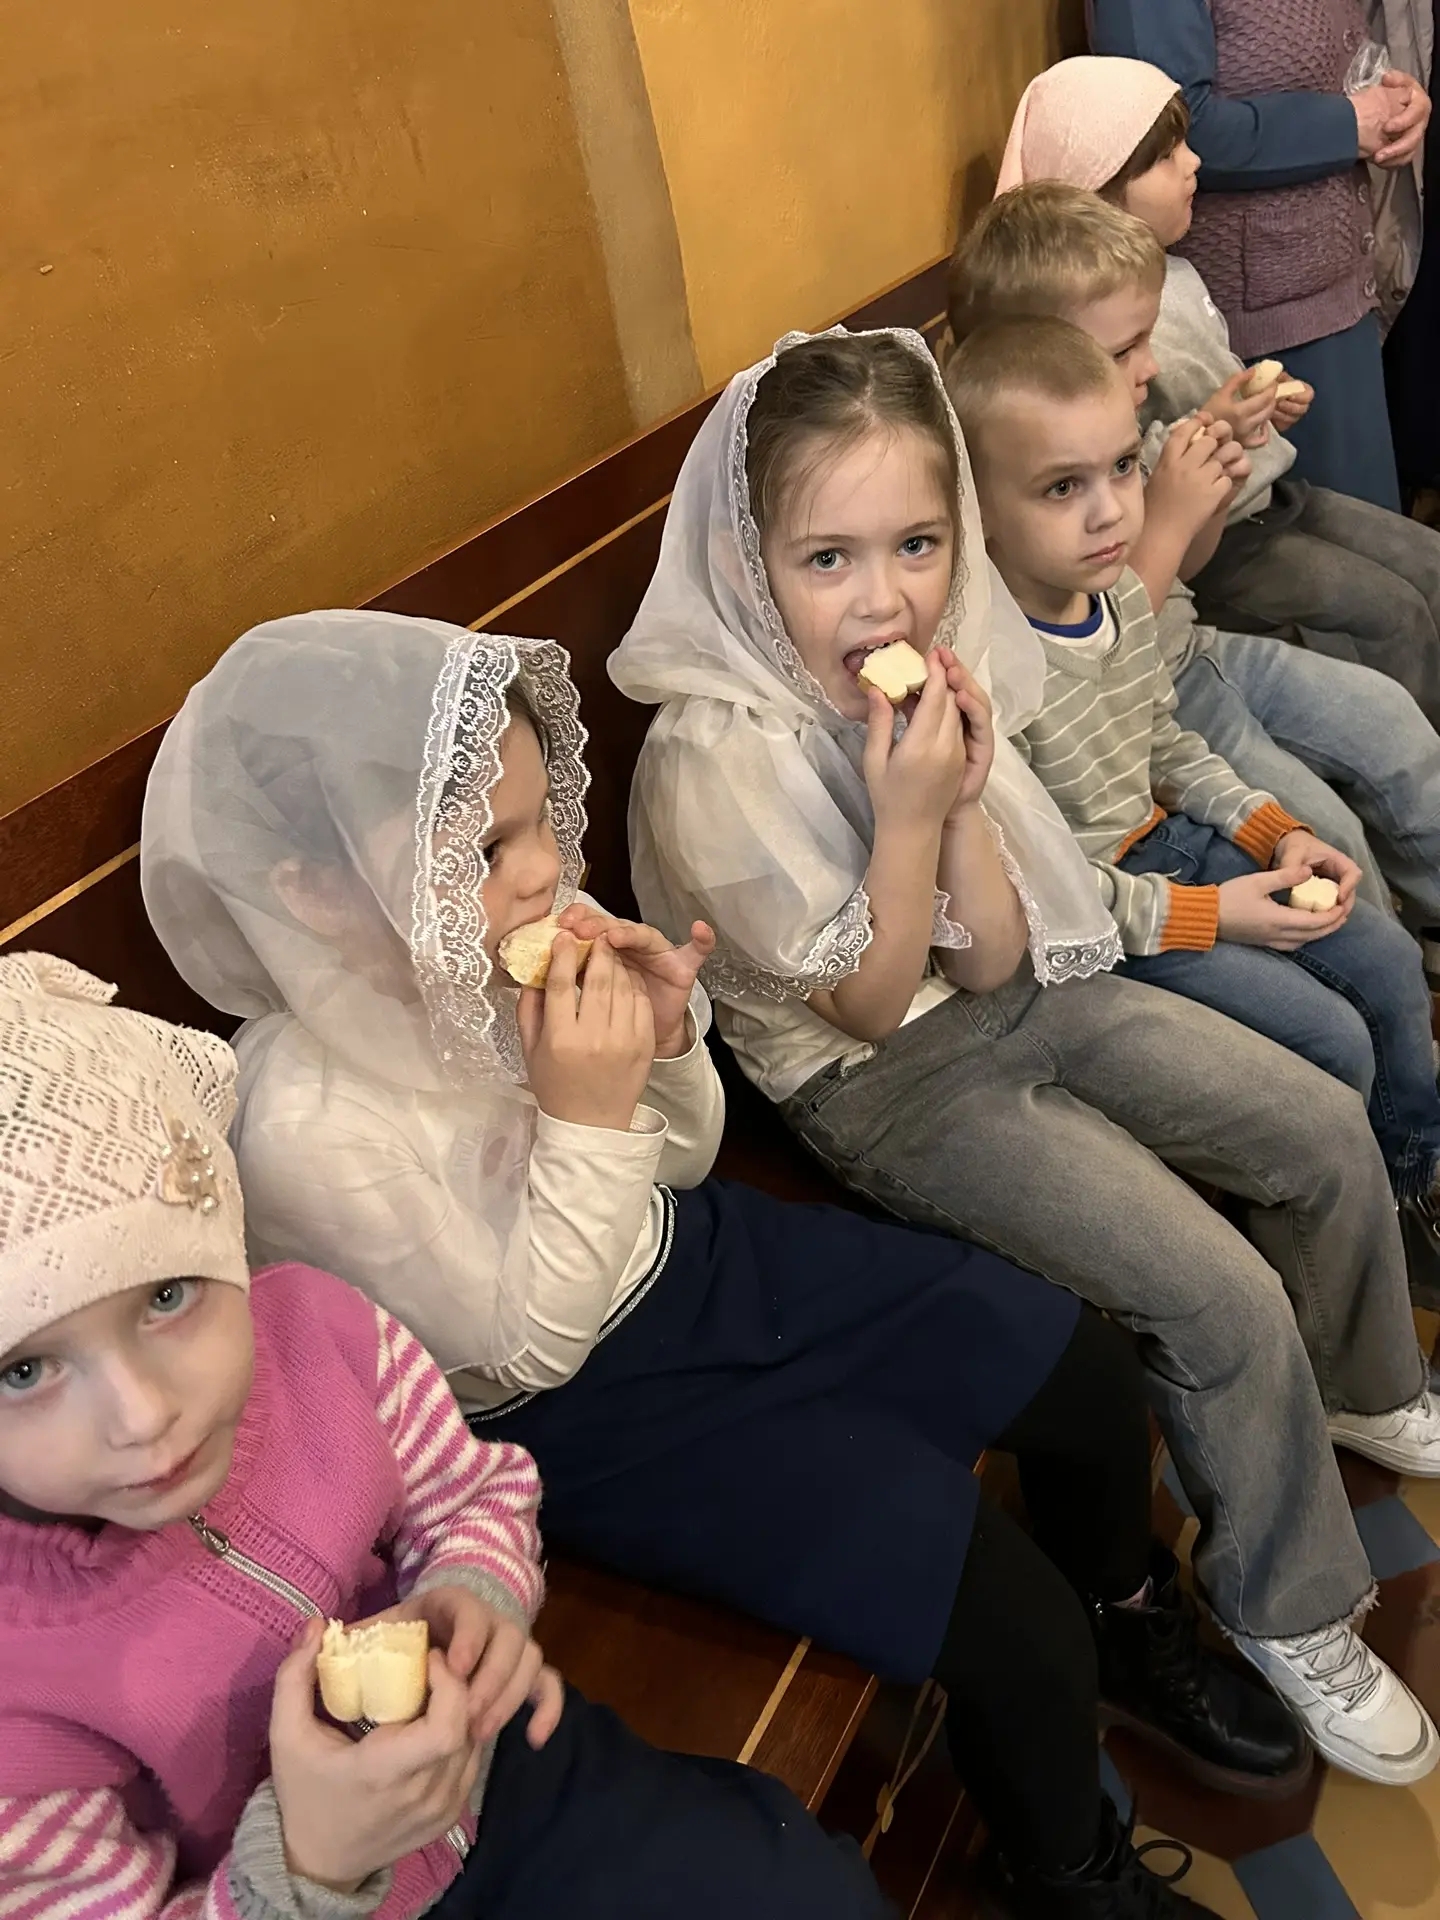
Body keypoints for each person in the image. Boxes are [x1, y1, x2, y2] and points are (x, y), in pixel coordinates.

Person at [139, 612, 1279, 1918]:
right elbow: (530, 1348)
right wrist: (582, 1115)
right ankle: (1069, 1870)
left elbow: (678, 1164)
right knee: (1010, 1621)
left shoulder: (510, 952)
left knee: (1079, 1366)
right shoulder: (301, 1121)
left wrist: (668, 1045)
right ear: (317, 891)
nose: (540, 872)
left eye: (537, 824)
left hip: (696, 1256)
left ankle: (1129, 1615)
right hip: (584, 1414)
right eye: (485, 851)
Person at [608, 321, 1440, 1788]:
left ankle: (1362, 1381)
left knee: (1317, 1123)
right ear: (750, 559)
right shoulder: (714, 760)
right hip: (883, 1083)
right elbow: (872, 1011)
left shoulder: (934, 677)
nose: (886, 597)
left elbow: (995, 957)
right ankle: (1286, 1605)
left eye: (919, 544)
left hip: (1011, 1002)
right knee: (1216, 1290)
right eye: (829, 558)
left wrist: (959, 803)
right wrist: (911, 814)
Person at [0, 952, 896, 1920]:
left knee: (808, 1888)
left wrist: (473, 1588)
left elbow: (472, 1491)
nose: (143, 1416)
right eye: (23, 1371)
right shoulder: (19, 1703)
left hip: (508, 1766)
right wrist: (312, 1866)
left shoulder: (319, 1332)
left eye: (169, 1295)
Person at [947, 313, 1440, 1222]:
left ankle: (1412, 1174)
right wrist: (1218, 915)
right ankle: (1354, 1218)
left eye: (1122, 467)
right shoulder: (986, 678)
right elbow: (1046, 895)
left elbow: (1164, 743)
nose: (1111, 511)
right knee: (1330, 1039)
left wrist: (1274, 830)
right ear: (975, 511)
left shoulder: (1114, 598)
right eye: (1062, 487)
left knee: (1388, 957)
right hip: (1105, 927)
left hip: (1171, 851)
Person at [986, 56, 1440, 744]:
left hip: (1273, 496)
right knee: (1394, 614)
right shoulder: (1090, 335)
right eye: (1167, 156)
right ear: (1098, 189)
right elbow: (1144, 472)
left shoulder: (1176, 273)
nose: (1195, 162)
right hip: (1224, 544)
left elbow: (1204, 394)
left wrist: (1254, 407)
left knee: (1428, 565)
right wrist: (1214, 427)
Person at [1088, 0, 1431, 510]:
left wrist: (1395, 103)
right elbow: (1167, 126)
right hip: (1253, 321)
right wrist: (1346, 124)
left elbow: (1328, 64)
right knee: (1314, 540)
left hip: (1341, 288)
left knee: (1378, 535)